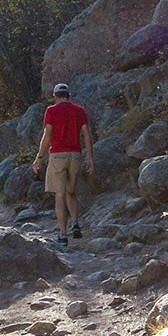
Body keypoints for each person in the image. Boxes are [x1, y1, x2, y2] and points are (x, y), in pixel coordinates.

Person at [33, 82, 95, 246]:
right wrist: (90, 157)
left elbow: (47, 136)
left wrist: (39, 158)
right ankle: (75, 224)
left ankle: (62, 233)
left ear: (55, 96)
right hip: (75, 155)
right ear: (68, 95)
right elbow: (87, 135)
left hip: (58, 155)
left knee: (59, 195)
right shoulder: (79, 110)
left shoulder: (51, 111)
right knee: (71, 192)